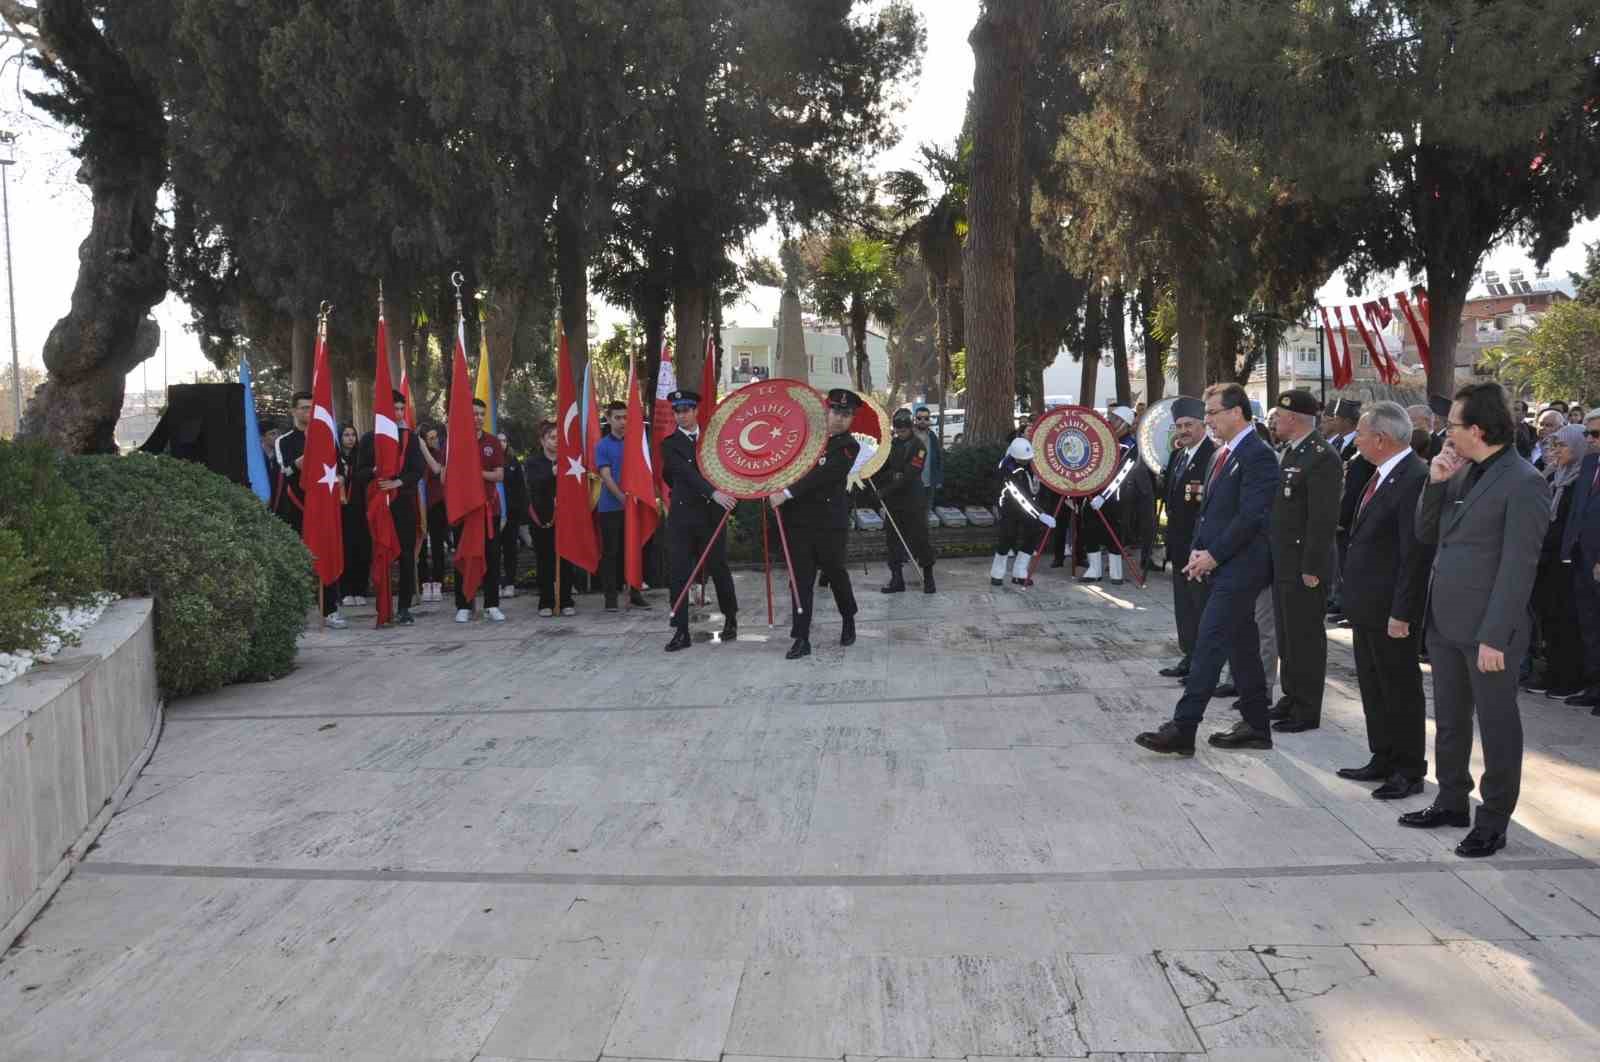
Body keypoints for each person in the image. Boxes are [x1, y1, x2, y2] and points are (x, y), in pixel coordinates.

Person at [1404, 381, 1549, 858]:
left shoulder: (1524, 482)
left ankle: (1493, 820)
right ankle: (1451, 800)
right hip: (1445, 622)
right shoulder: (1460, 472)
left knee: (1497, 726)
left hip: (1489, 631)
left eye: (1453, 426)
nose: (1447, 433)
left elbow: (1518, 568)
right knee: (1449, 720)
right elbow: (1427, 534)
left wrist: (1495, 636)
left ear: (1479, 429)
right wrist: (1435, 483)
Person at [1135, 382, 1279, 756]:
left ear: (1236, 412)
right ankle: (1256, 725)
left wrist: (1213, 554)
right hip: (1220, 563)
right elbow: (1209, 513)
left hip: (1243, 568)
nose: (1208, 420)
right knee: (1242, 645)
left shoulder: (1258, 455)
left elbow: (1251, 516)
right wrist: (1200, 552)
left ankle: (1183, 728)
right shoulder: (1222, 454)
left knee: (1209, 644)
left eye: (1212, 413)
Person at [1335, 403, 1434, 800]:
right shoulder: (1380, 473)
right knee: (1374, 685)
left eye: (1361, 434)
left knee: (1400, 688)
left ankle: (1408, 769)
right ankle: (1384, 755)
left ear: (1381, 438)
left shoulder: (1414, 477)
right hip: (1367, 604)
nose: (1356, 441)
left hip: (1391, 608)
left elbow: (1415, 553)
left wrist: (1402, 612)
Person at [1266, 390, 1343, 733]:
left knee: (1306, 638)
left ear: (1294, 419)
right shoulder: (1293, 451)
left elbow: (1322, 520)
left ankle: (1306, 708)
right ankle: (1291, 695)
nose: (1275, 422)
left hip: (1303, 564)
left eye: (1279, 417)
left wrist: (1312, 567)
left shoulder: (1322, 456)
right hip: (1284, 560)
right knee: (1287, 635)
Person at [769, 389, 862, 660]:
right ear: (826, 412)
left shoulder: (848, 446)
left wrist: (787, 493)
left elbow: (822, 475)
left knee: (836, 574)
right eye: (836, 411)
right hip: (798, 523)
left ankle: (848, 618)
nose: (840, 418)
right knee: (800, 581)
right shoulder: (803, 440)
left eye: (846, 414)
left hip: (829, 525)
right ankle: (801, 637)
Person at [659, 390, 739, 651]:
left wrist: (733, 491)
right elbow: (682, 473)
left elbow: (730, 466)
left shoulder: (713, 440)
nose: (681, 416)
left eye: (686, 410)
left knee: (718, 568)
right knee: (679, 572)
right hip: (683, 516)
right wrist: (712, 492)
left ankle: (731, 618)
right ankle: (681, 630)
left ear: (695, 411)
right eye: (677, 411)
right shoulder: (669, 444)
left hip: (711, 516)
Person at [272, 391, 347, 628]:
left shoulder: (327, 437)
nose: (308, 412)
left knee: (326, 553)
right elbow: (284, 471)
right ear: (293, 411)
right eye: (304, 408)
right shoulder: (284, 441)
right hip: (296, 507)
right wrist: (304, 459)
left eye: (312, 407)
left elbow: (340, 469)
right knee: (297, 560)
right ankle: (297, 611)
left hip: (323, 508)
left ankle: (330, 609)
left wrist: (340, 479)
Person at [358, 392, 429, 625]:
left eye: (401, 409)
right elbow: (360, 473)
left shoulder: (410, 438)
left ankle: (404, 607)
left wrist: (398, 482)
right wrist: (376, 471)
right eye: (394, 409)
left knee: (406, 556)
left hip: (404, 504)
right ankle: (383, 606)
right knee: (380, 553)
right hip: (378, 506)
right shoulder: (369, 439)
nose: (398, 414)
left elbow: (417, 470)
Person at [1527, 424, 1587, 697]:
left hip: (1564, 562)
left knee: (1565, 620)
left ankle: (1568, 678)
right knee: (1548, 618)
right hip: (1544, 559)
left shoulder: (1580, 481)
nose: (1556, 451)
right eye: (1554, 445)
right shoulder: (1554, 476)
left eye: (1562, 445)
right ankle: (1552, 673)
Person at [1156, 397, 1215, 678]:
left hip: (1201, 549)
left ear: (1203, 424)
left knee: (1202, 608)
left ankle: (1203, 665)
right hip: (1179, 547)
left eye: (1189, 425)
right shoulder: (1178, 455)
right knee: (1185, 608)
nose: (1183, 431)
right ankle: (1189, 656)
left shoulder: (1213, 456)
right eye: (1179, 426)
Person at [454, 398, 507, 623]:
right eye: (474, 413)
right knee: (464, 556)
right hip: (463, 511)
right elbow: (448, 476)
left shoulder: (492, 442)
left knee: (492, 557)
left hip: (488, 510)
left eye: (481, 414)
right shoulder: (456, 442)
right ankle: (463, 605)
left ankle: (491, 604)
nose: (477, 418)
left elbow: (499, 475)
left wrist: (477, 473)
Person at [593, 400, 649, 612]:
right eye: (617, 418)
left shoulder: (636, 443)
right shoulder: (602, 445)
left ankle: (635, 593)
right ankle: (610, 597)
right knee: (611, 553)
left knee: (634, 550)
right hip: (610, 508)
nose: (622, 422)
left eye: (626, 417)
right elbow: (606, 476)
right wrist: (623, 499)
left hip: (634, 507)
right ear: (608, 419)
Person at [873, 408, 936, 594]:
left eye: (904, 430)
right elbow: (882, 470)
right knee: (893, 541)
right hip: (894, 502)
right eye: (898, 430)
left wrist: (887, 488)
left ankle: (929, 577)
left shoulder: (919, 447)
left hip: (913, 500)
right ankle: (897, 579)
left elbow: (911, 474)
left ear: (910, 427)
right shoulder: (891, 445)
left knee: (920, 539)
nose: (901, 433)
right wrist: (888, 476)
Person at [1077, 405, 1142, 584]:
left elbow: (1122, 475)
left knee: (1115, 533)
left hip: (1116, 497)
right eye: (1111, 418)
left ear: (1124, 424)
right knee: (1090, 530)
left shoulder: (1131, 446)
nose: (1110, 422)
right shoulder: (1104, 440)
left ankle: (1116, 572)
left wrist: (1104, 496)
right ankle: (1094, 569)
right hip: (1093, 494)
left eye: (1115, 420)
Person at [1561, 416, 1600, 711]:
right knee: (1589, 624)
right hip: (1581, 558)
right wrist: (1568, 548)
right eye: (1588, 433)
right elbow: (1578, 510)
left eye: (1596, 434)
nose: (1590, 439)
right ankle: (1594, 687)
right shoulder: (1588, 464)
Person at [523, 421, 577, 618]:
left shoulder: (570, 461)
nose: (556, 441)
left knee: (566, 560)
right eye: (552, 438)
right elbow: (533, 483)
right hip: (542, 519)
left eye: (559, 437)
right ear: (543, 441)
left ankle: (566, 600)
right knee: (544, 560)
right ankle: (546, 601)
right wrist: (551, 473)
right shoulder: (533, 462)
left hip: (565, 517)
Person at [1327, 399, 1373, 622]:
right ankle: (1338, 599)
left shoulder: (1358, 447)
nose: (1332, 421)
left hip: (1350, 513)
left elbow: (1355, 487)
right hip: (1337, 508)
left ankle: (1346, 604)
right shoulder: (1335, 443)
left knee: (1347, 562)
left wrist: (1343, 517)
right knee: (1339, 562)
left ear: (1347, 421)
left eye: (1336, 418)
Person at [990, 437, 1057, 587]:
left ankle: (1020, 572)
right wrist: (1040, 514)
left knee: (1032, 537)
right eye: (1023, 459)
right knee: (1007, 538)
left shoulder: (1030, 464)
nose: (1027, 461)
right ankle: (997, 573)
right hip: (1009, 508)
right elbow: (1020, 497)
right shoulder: (1006, 469)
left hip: (1029, 508)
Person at [338, 425, 370, 607]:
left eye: (353, 435)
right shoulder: (335, 457)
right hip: (342, 511)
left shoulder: (361, 457)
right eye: (346, 435)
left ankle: (360, 590)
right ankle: (346, 591)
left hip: (360, 509)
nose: (350, 438)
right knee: (346, 550)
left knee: (362, 550)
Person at [420, 424, 449, 602]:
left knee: (438, 545)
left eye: (436, 437)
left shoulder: (440, 454)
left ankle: (438, 582)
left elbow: (438, 469)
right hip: (421, 505)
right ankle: (423, 582)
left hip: (437, 505)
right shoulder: (418, 456)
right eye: (430, 438)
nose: (434, 441)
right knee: (421, 546)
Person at [498, 431, 528, 599]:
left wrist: (521, 511)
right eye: (498, 440)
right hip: (494, 513)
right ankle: (495, 583)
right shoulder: (489, 461)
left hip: (511, 513)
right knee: (494, 550)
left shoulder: (513, 462)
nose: (501, 443)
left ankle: (510, 583)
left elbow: (521, 487)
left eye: (504, 440)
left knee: (510, 549)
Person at [912, 405, 944, 513]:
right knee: (913, 513)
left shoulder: (932, 436)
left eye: (926, 418)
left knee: (926, 513)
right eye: (919, 418)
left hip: (929, 484)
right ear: (915, 419)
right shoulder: (909, 436)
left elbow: (939, 458)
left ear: (929, 420)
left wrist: (938, 479)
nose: (922, 421)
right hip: (912, 483)